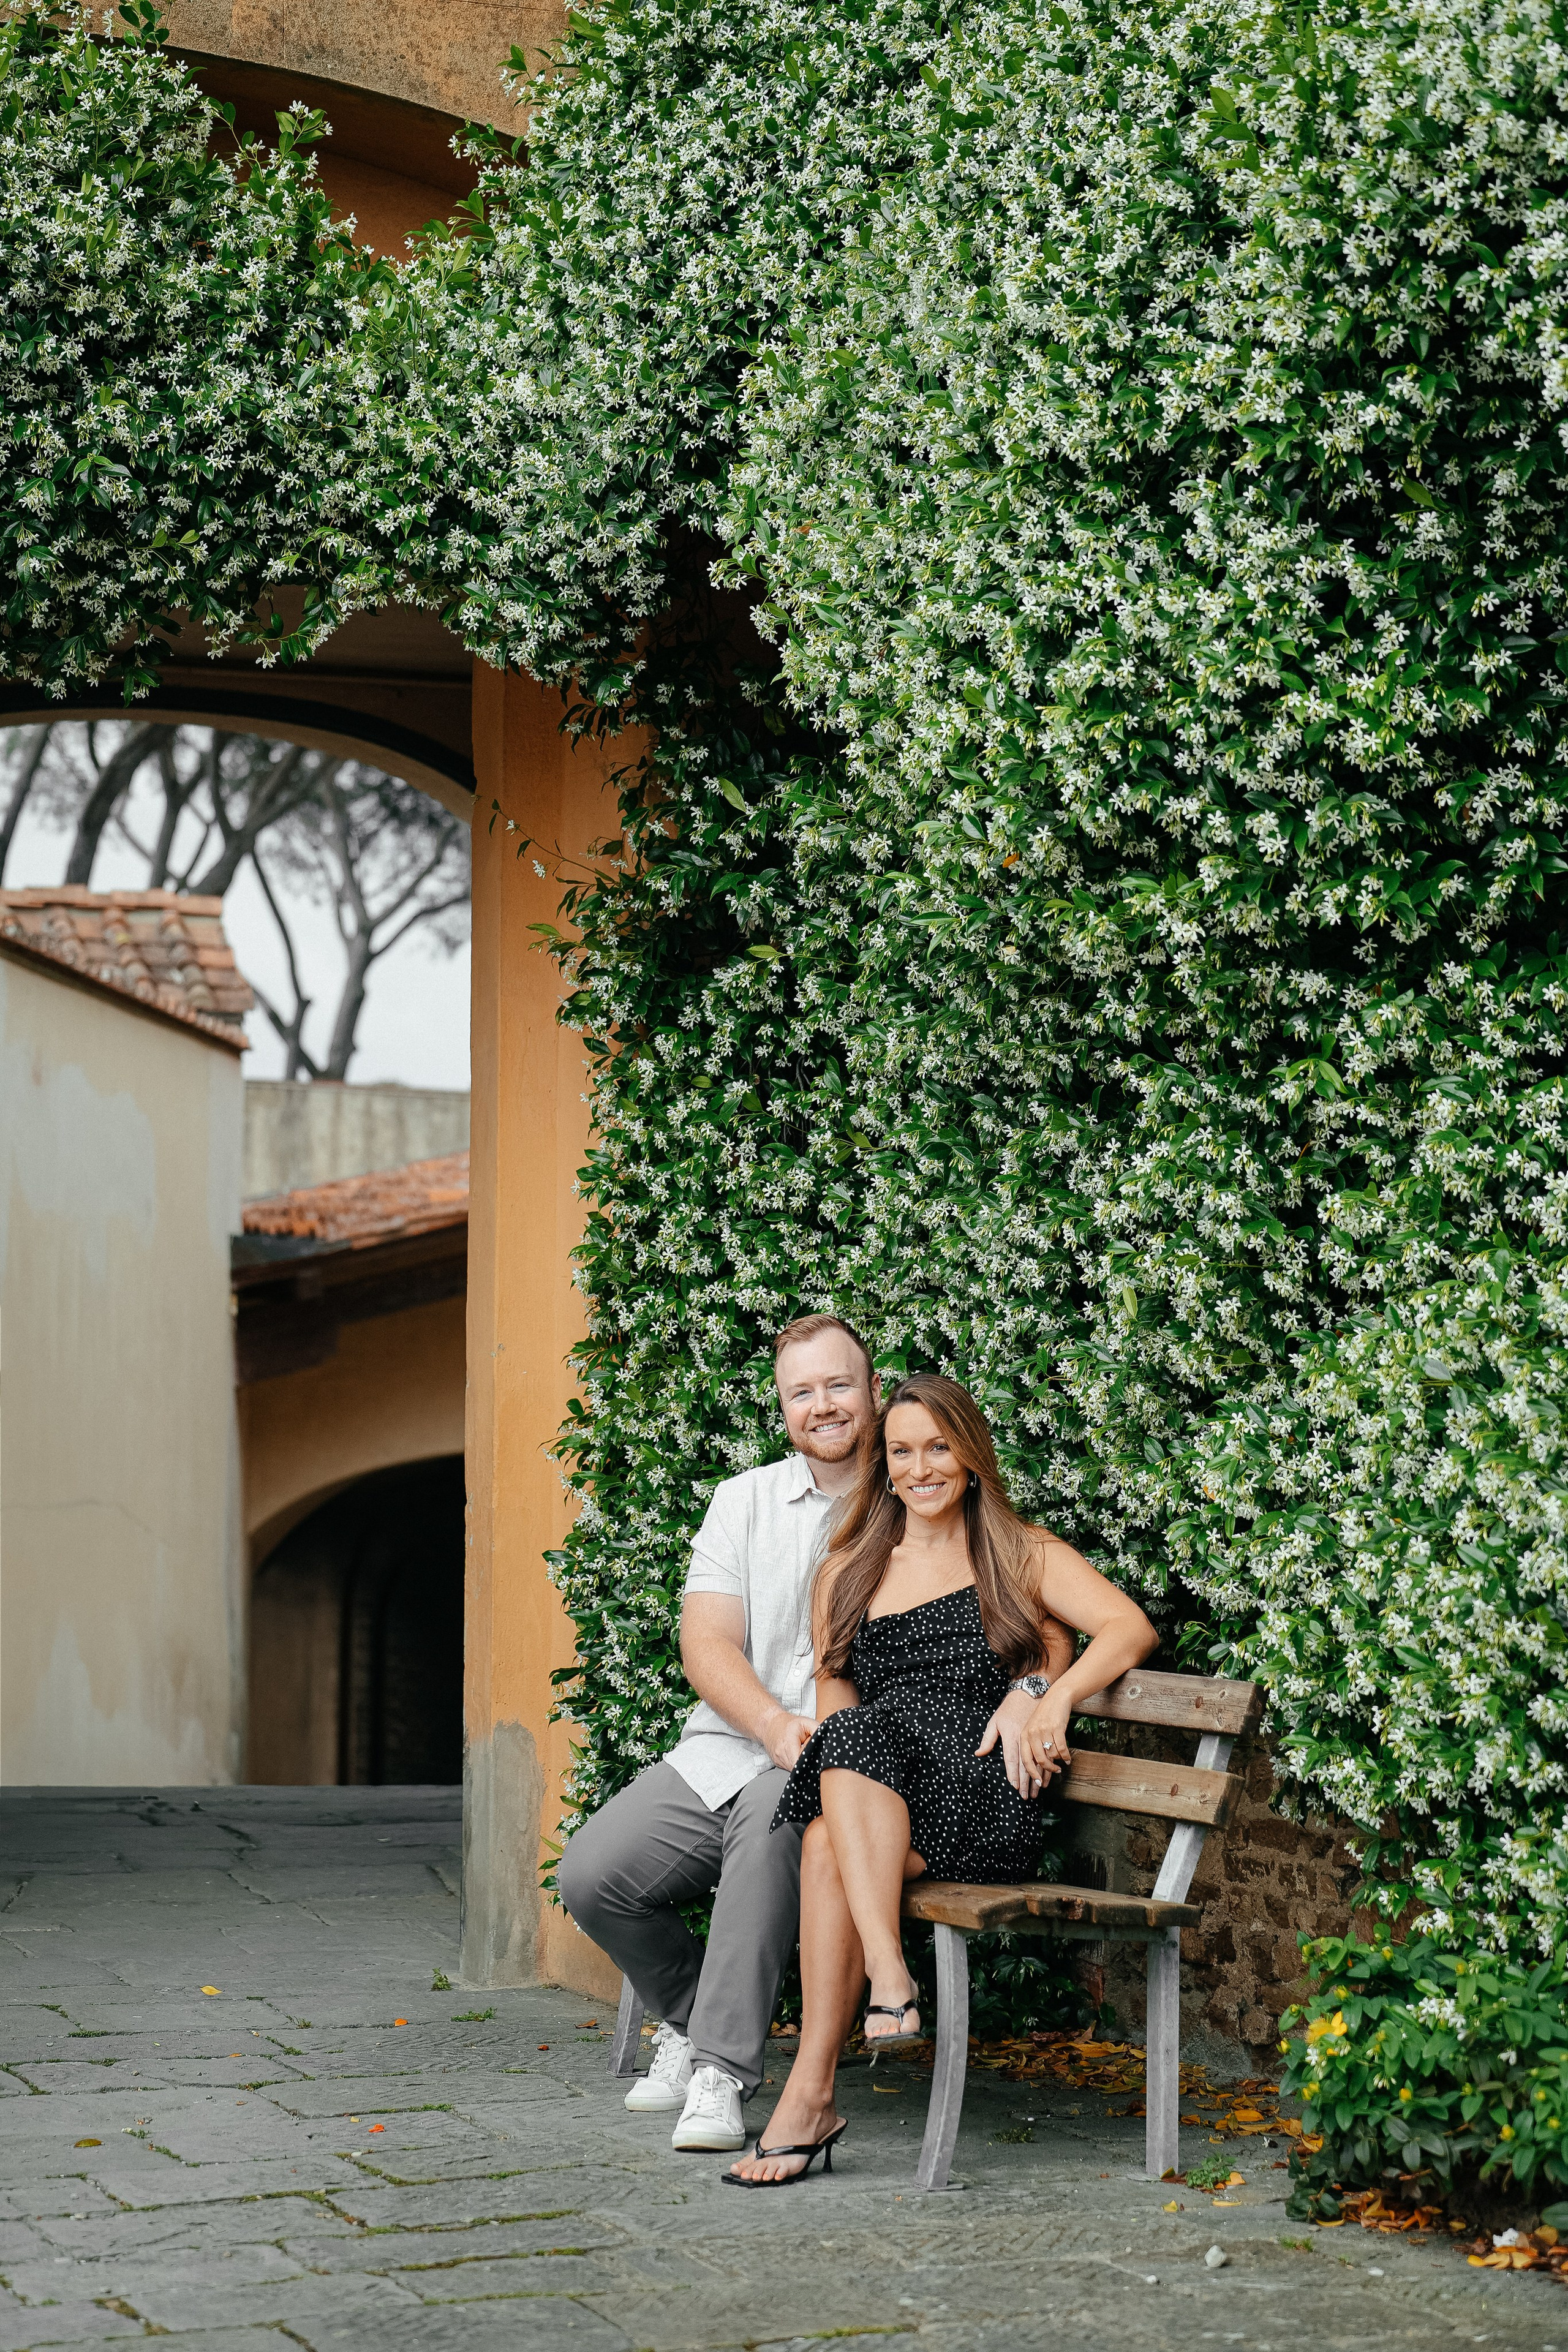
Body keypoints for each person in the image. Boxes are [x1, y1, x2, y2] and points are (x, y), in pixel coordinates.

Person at [722, 1371, 1159, 2186]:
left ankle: (878, 1999)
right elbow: (836, 1709)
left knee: (834, 1815)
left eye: (938, 1448)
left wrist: (1048, 1696)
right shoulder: (847, 1571)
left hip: (983, 1788)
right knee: (826, 1833)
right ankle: (823, 2077)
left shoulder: (1019, 1552)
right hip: (884, 1793)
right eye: (901, 1452)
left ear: (969, 1455)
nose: (920, 1469)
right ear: (882, 1465)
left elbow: (1127, 1627)